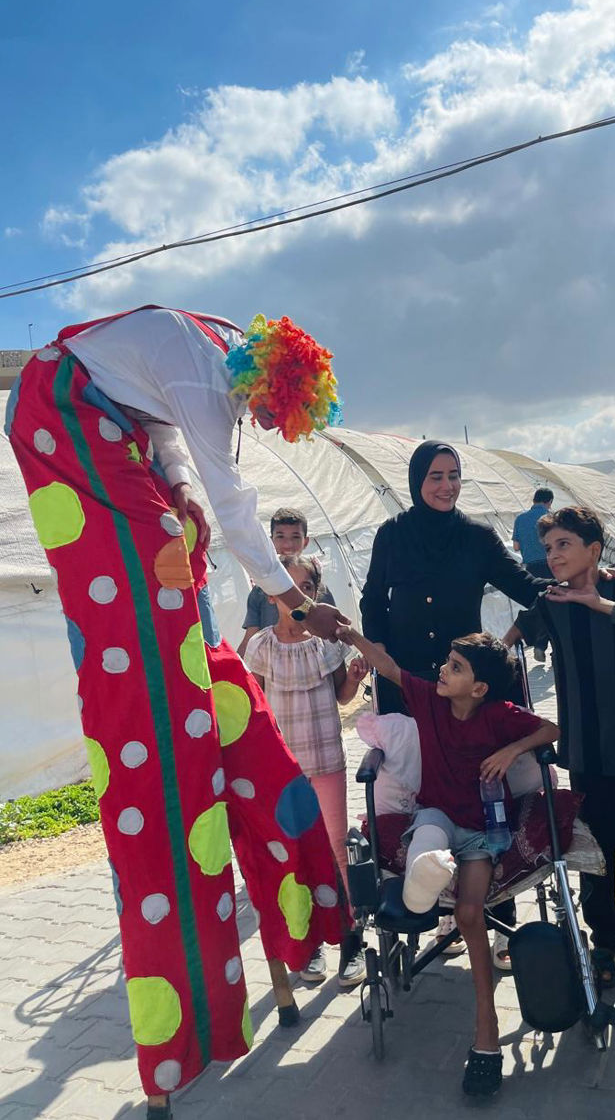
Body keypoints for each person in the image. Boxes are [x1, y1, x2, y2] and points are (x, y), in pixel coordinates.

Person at [5, 305, 349, 1120]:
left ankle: (297, 921)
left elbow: (177, 457)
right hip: (52, 407)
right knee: (164, 533)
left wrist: (187, 497)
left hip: (109, 421)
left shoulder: (201, 370)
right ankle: (156, 674)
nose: (262, 422)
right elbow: (237, 502)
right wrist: (293, 600)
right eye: (268, 411)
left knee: (180, 527)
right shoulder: (201, 363)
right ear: (269, 380)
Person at [337, 625, 558, 1097]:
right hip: (434, 815)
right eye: (447, 661)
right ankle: (426, 876)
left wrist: (512, 749)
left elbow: (552, 729)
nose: (442, 668)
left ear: (478, 688)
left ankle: (487, 1028)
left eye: (455, 667)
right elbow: (387, 665)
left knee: (470, 911)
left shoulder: (499, 716)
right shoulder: (428, 700)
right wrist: (350, 634)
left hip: (482, 830)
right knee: (429, 833)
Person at [360, 441, 552, 968]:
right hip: (412, 690)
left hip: (470, 688)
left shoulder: (476, 537)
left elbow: (524, 585)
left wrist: (567, 587)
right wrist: (379, 660)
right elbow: (373, 602)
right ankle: (428, 903)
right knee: (428, 791)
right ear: (417, 481)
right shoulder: (393, 536)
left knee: (488, 792)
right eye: (436, 476)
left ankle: (502, 918)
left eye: (454, 475)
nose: (446, 485)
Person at [503, 506, 615, 993]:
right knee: (592, 852)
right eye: (548, 549)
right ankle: (603, 942)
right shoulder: (551, 603)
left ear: (593, 549)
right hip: (585, 754)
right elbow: (511, 638)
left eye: (563, 545)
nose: (552, 556)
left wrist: (601, 605)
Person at [245, 554, 368, 985]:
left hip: (326, 761)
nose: (297, 598)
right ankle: (311, 944)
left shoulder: (326, 644)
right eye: (288, 590)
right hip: (285, 772)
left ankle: (353, 941)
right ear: (271, 594)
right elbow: (256, 708)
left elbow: (341, 697)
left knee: (336, 847)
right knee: (295, 853)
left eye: (306, 589)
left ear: (314, 594)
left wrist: (352, 678)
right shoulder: (261, 647)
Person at [237, 508, 336, 658]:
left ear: (306, 541)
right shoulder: (260, 591)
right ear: (271, 542)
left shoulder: (320, 590)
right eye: (281, 537)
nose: (288, 544)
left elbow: (331, 639)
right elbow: (250, 639)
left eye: (295, 537)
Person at [512, 488, 554, 662]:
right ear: (549, 501)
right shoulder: (553, 518)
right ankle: (550, 648)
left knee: (538, 607)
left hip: (530, 571)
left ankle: (539, 643)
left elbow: (515, 546)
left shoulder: (520, 519)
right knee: (555, 606)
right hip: (552, 566)